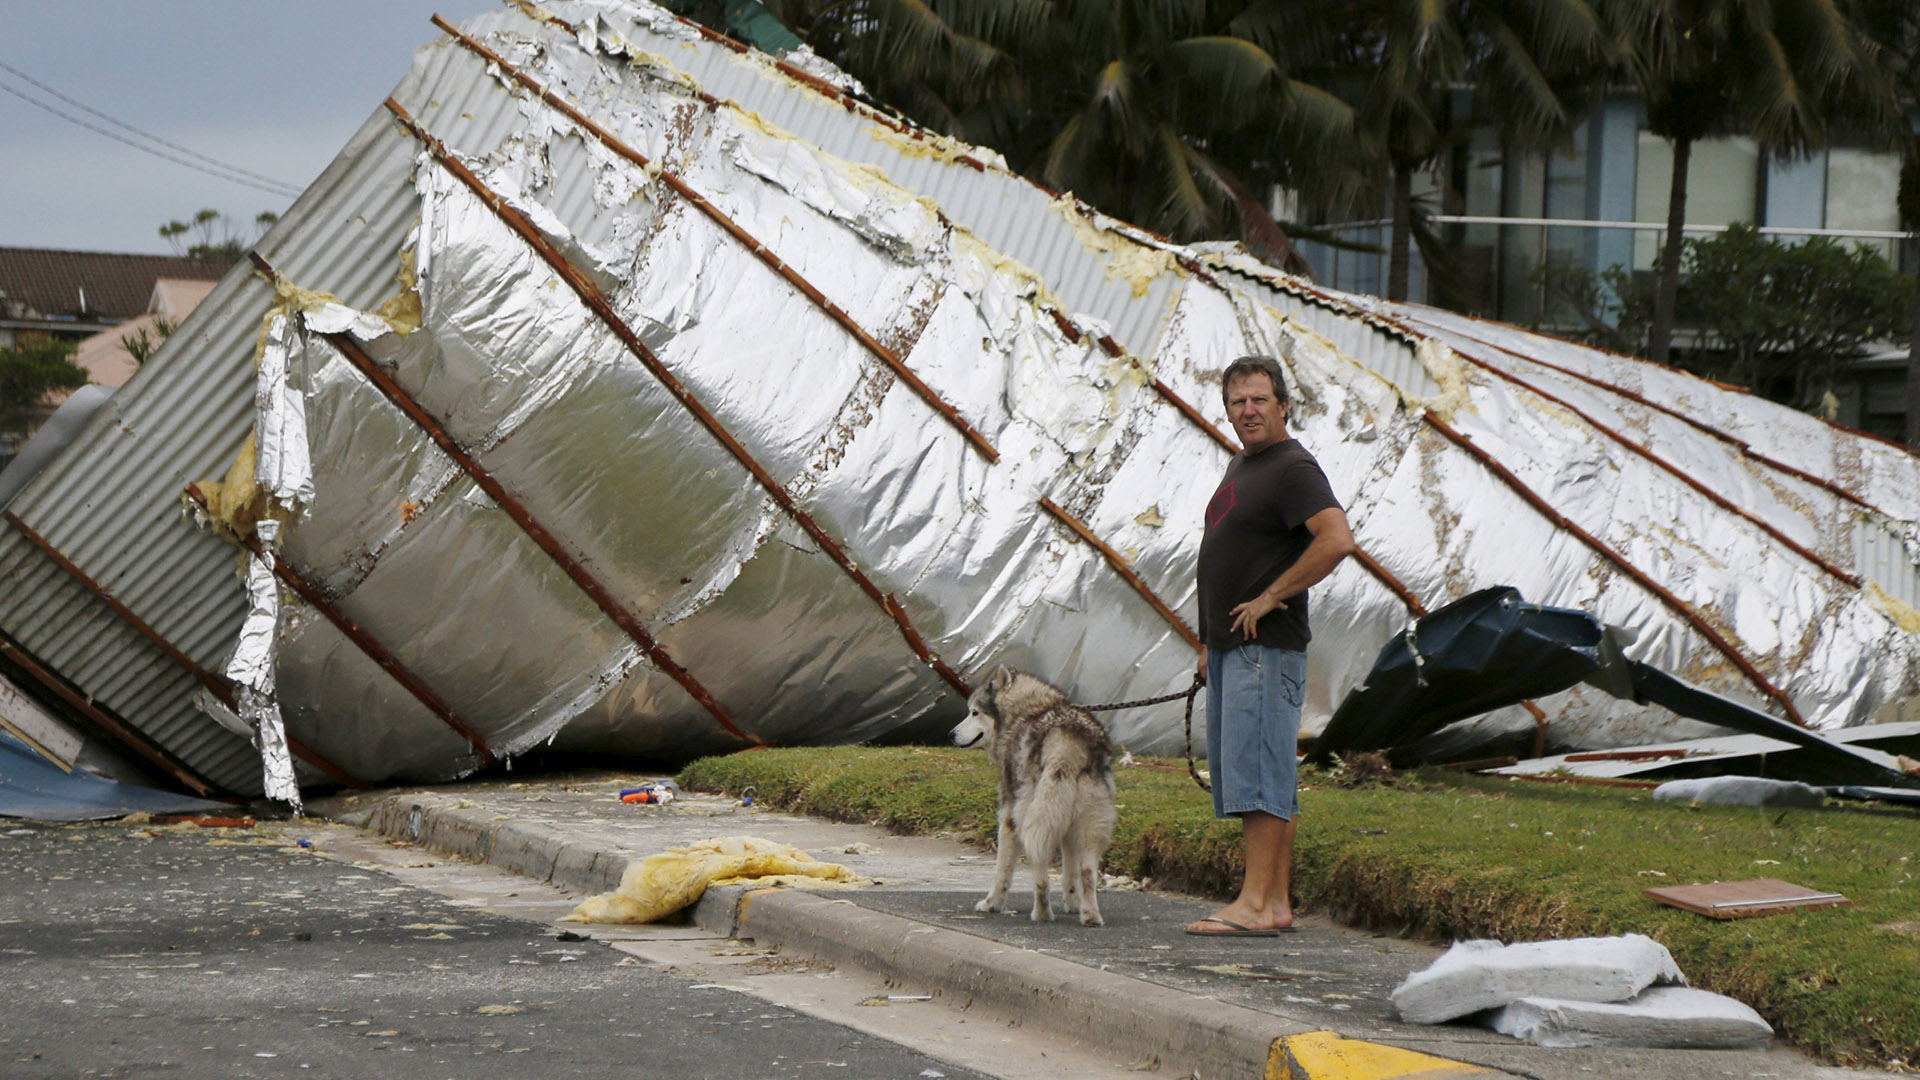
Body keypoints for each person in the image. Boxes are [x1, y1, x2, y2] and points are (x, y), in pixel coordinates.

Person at [1186, 354, 1354, 937]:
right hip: (1232, 647)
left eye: (1260, 399)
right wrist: (1210, 640)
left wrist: (1269, 597)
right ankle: (1276, 902)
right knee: (1269, 774)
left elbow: (1336, 540)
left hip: (1265, 645)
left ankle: (1253, 904)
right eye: (1238, 402)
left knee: (1259, 775)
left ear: (1283, 405)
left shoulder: (1291, 468)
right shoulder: (1245, 464)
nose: (1249, 410)